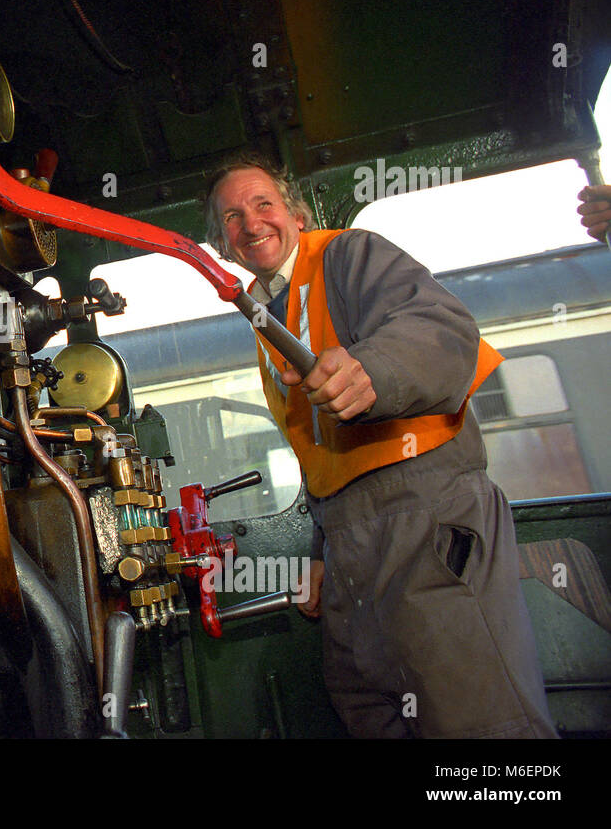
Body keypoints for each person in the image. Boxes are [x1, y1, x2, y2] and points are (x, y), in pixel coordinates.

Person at [204, 153, 557, 739]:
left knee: (485, 730)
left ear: (295, 212)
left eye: (263, 203)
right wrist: (319, 552)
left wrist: (373, 370)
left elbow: (440, 330)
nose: (252, 222)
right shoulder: (269, 314)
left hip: (425, 520)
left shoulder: (349, 254)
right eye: (233, 217)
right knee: (374, 714)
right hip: (348, 551)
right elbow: (321, 452)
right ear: (222, 243)